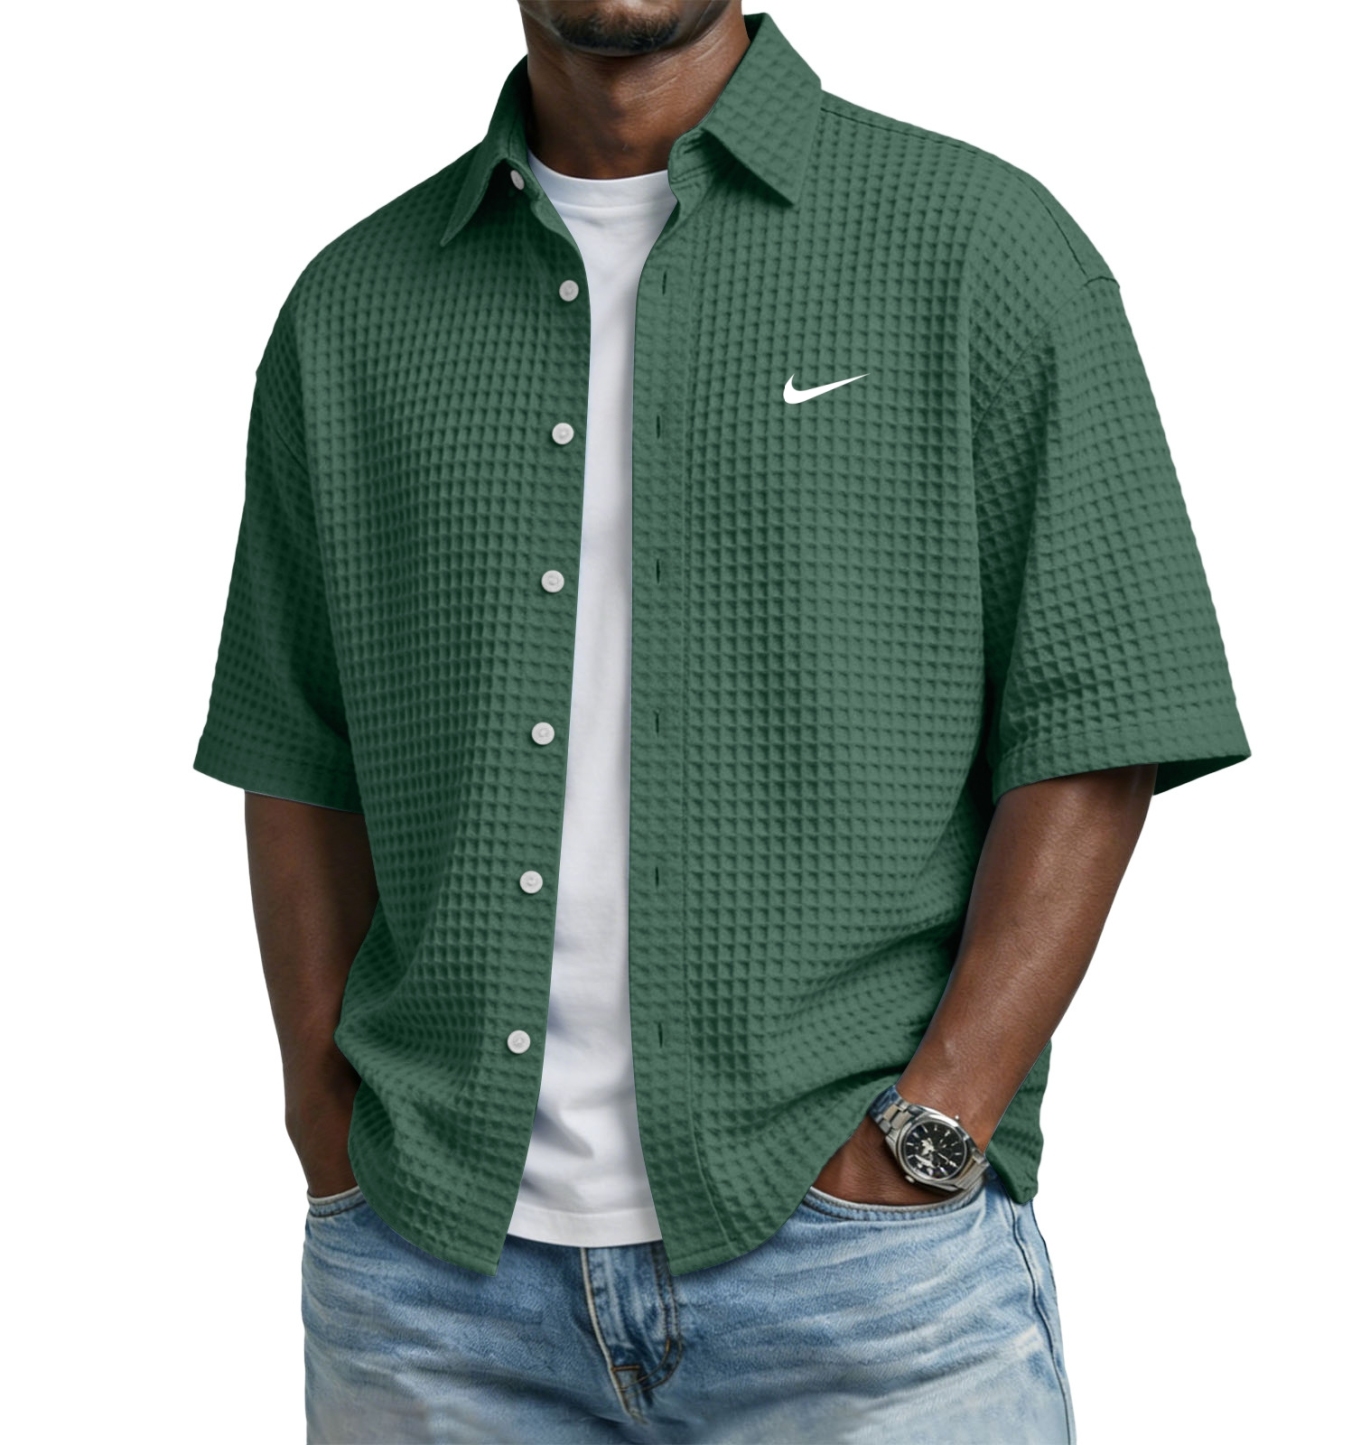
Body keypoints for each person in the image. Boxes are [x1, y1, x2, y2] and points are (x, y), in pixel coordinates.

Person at [194, 3, 1250, 1440]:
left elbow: (1098, 717)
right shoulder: (355, 305)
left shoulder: (978, 247)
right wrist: (328, 1135)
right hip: (431, 1283)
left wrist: (936, 1127)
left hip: (865, 1279)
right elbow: (295, 750)